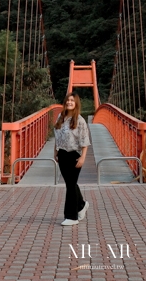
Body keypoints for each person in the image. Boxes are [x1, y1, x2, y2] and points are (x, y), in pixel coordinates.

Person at [54, 93, 91, 226]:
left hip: (74, 155)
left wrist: (83, 157)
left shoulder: (79, 120)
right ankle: (81, 205)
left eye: (72, 100)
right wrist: (55, 151)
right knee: (71, 184)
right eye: (68, 100)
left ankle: (71, 217)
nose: (69, 102)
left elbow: (84, 140)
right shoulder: (60, 117)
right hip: (62, 154)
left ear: (76, 103)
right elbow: (57, 136)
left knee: (70, 185)